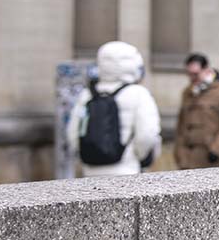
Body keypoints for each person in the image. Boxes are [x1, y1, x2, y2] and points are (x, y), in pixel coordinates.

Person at [67, 40, 161, 177]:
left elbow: (73, 133)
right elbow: (147, 134)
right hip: (126, 169)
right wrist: (138, 157)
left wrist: (86, 155)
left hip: (90, 171)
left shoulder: (87, 95)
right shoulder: (139, 93)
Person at [175, 53, 219, 169]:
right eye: (189, 74)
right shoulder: (187, 92)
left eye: (195, 74)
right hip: (189, 159)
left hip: (212, 157)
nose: (192, 78)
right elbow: (181, 126)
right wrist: (179, 153)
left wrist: (217, 148)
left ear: (207, 71)